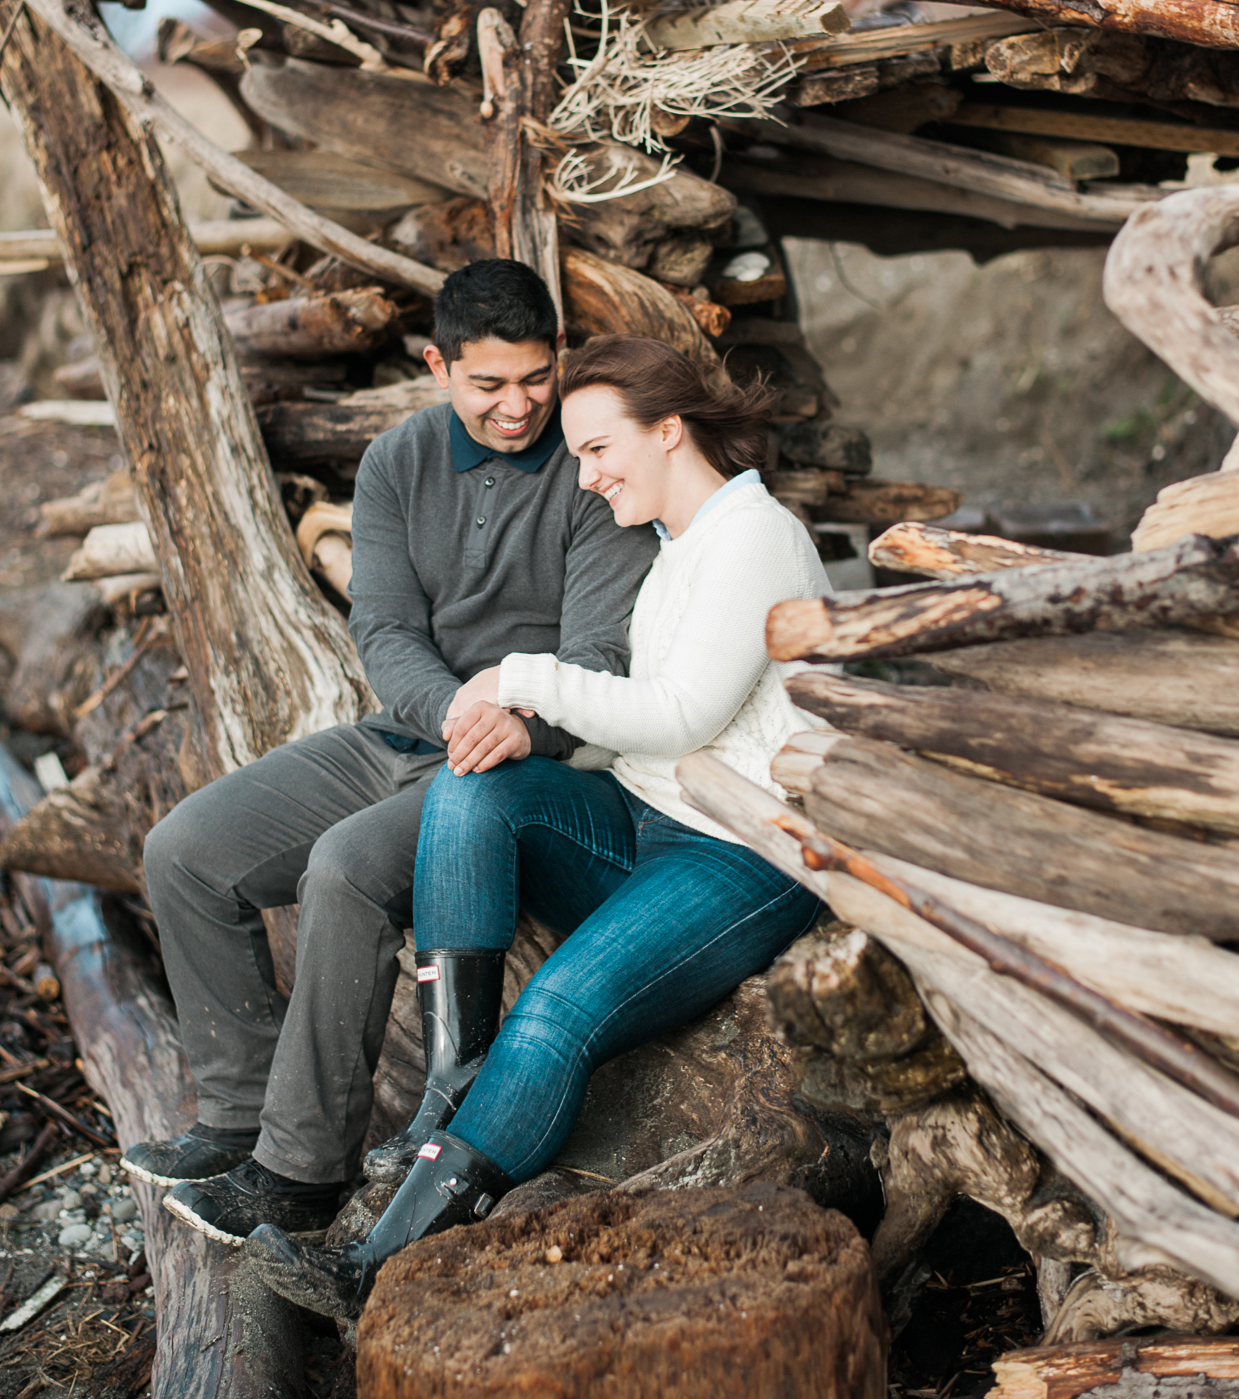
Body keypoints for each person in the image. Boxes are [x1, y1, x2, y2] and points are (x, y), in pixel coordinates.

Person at [243, 334, 834, 1318]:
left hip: (747, 855)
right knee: (472, 791)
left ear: (670, 430)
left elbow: (683, 714)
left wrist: (518, 678)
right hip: (647, 818)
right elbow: (648, 732)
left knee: (556, 1015)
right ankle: (454, 1084)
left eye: (600, 450)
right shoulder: (680, 542)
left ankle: (370, 1275)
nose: (588, 475)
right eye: (580, 456)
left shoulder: (757, 540)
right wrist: (521, 739)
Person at [120, 263, 658, 1246]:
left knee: (347, 872)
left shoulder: (590, 465)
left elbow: (599, 657)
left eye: (535, 377)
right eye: (487, 384)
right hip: (410, 729)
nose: (516, 404)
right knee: (186, 852)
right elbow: (384, 631)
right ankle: (238, 1115)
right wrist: (454, 705)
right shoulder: (398, 461)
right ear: (436, 365)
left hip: (525, 761)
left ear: (559, 360)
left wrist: (520, 723)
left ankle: (297, 1174)